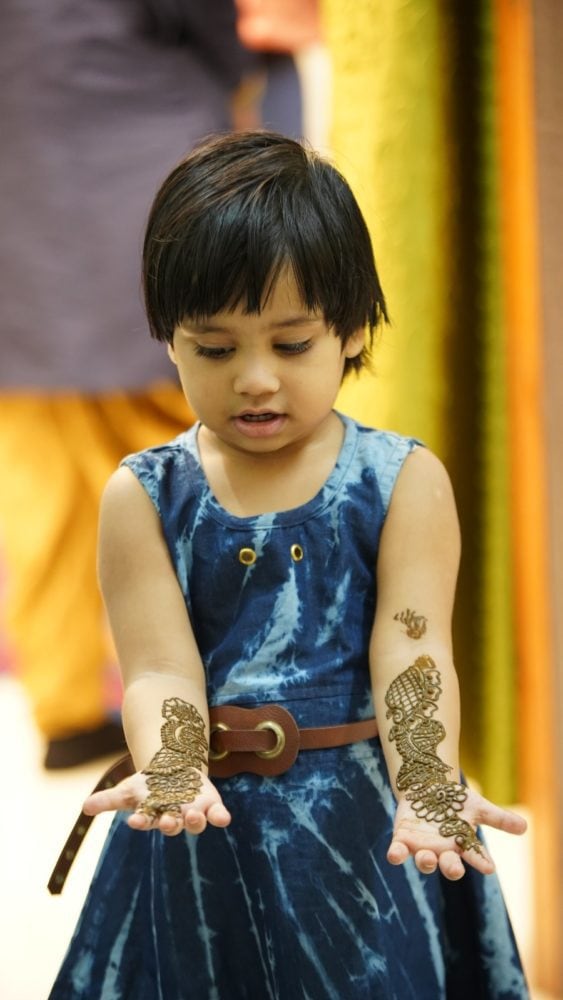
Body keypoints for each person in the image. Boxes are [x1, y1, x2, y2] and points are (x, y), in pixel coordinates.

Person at [48, 131, 529, 999]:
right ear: (167, 340)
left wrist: (426, 784)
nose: (256, 380)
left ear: (349, 330)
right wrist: (172, 767)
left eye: (292, 343)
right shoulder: (144, 495)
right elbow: (159, 666)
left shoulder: (401, 481)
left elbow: (412, 651)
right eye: (216, 348)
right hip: (203, 821)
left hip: (364, 828)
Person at [0, 1, 303, 768]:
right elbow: (209, 25)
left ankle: (67, 709)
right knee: (204, 464)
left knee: (42, 491)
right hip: (138, 194)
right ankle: (246, 693)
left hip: (21, 207)